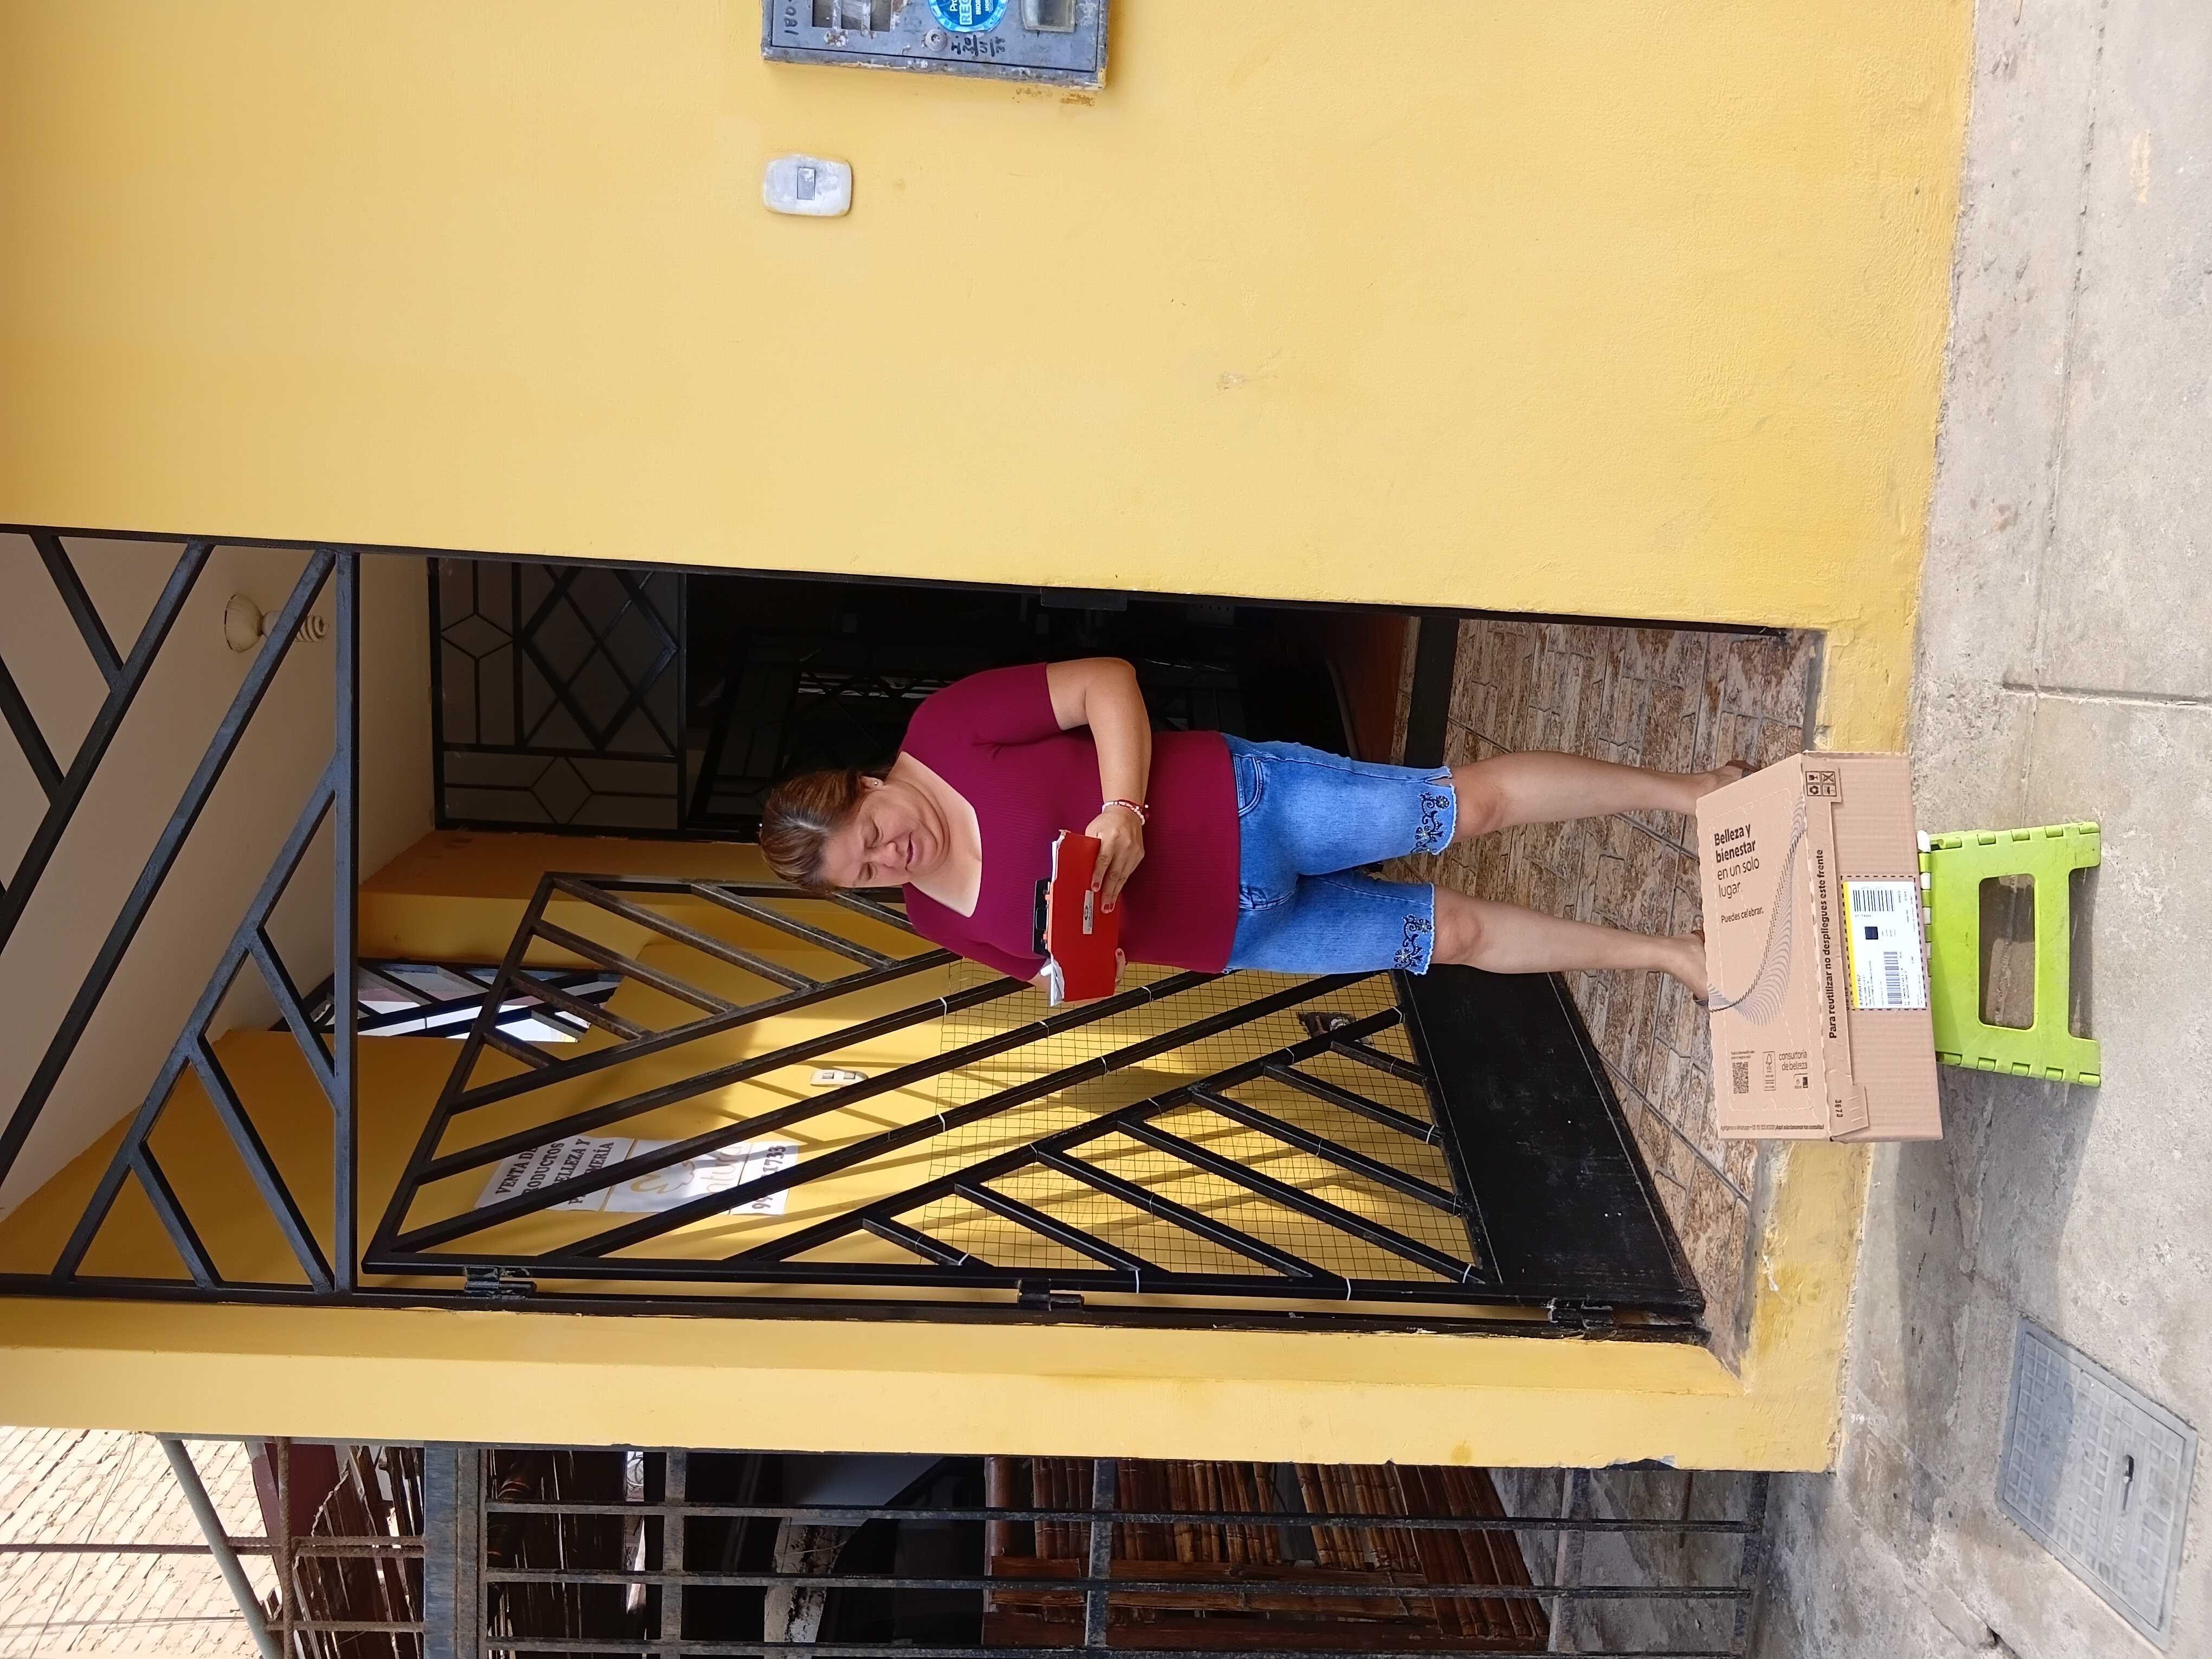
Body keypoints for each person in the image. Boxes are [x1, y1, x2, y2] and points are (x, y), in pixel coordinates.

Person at [758, 657, 1732, 998]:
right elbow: (1049, 966)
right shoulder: (933, 917)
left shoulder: (947, 729)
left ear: (867, 784)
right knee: (1458, 938)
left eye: (873, 831)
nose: (893, 856)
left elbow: (1107, 683)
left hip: (1242, 804)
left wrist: (1122, 811)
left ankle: (1690, 794)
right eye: (869, 873)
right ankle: (1670, 956)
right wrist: (1080, 965)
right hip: (1244, 934)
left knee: (1466, 806)